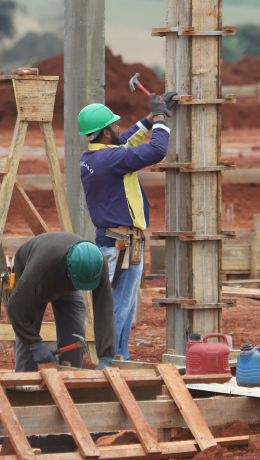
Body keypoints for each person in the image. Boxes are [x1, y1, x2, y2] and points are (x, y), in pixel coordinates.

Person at [78, 93, 173, 360]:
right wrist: (161, 121)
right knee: (119, 307)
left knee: (125, 307)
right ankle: (108, 364)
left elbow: (127, 140)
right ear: (106, 133)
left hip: (115, 242)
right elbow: (157, 150)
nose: (120, 127)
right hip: (122, 245)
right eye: (114, 125)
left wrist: (151, 118)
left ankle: (119, 357)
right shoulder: (111, 160)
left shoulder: (93, 157)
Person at [7, 231, 116, 372]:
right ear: (69, 268)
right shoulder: (39, 270)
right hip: (39, 275)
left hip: (69, 279)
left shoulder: (97, 266)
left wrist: (106, 357)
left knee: (75, 333)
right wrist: (34, 343)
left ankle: (70, 380)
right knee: (28, 335)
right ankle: (24, 384)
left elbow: (104, 310)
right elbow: (15, 309)